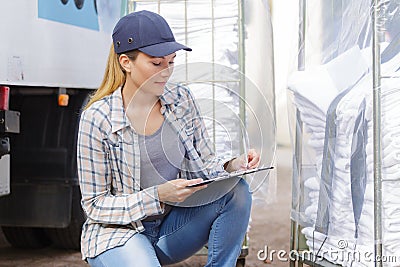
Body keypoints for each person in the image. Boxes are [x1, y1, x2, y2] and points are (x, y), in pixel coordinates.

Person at [77, 10, 260, 267]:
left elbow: (205, 162)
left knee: (237, 191)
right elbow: (95, 206)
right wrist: (158, 196)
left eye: (171, 62)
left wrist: (233, 165)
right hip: (117, 235)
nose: (166, 72)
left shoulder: (181, 100)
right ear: (125, 62)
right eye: (156, 63)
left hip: (171, 229)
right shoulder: (97, 118)